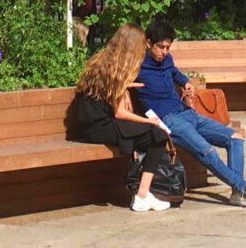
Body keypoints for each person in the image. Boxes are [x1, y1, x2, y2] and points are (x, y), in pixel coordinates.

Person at [137, 17, 246, 208]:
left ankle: (237, 194)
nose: (164, 52)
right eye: (160, 47)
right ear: (149, 43)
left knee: (235, 138)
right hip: (169, 121)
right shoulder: (137, 65)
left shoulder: (167, 60)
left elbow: (175, 73)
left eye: (168, 47)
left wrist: (186, 83)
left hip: (187, 113)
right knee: (208, 152)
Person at [70, 23, 173, 211]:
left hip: (91, 126)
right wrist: (148, 121)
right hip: (101, 127)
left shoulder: (101, 61)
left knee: (149, 134)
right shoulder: (117, 70)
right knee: (158, 135)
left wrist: (125, 88)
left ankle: (142, 193)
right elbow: (119, 113)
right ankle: (142, 194)